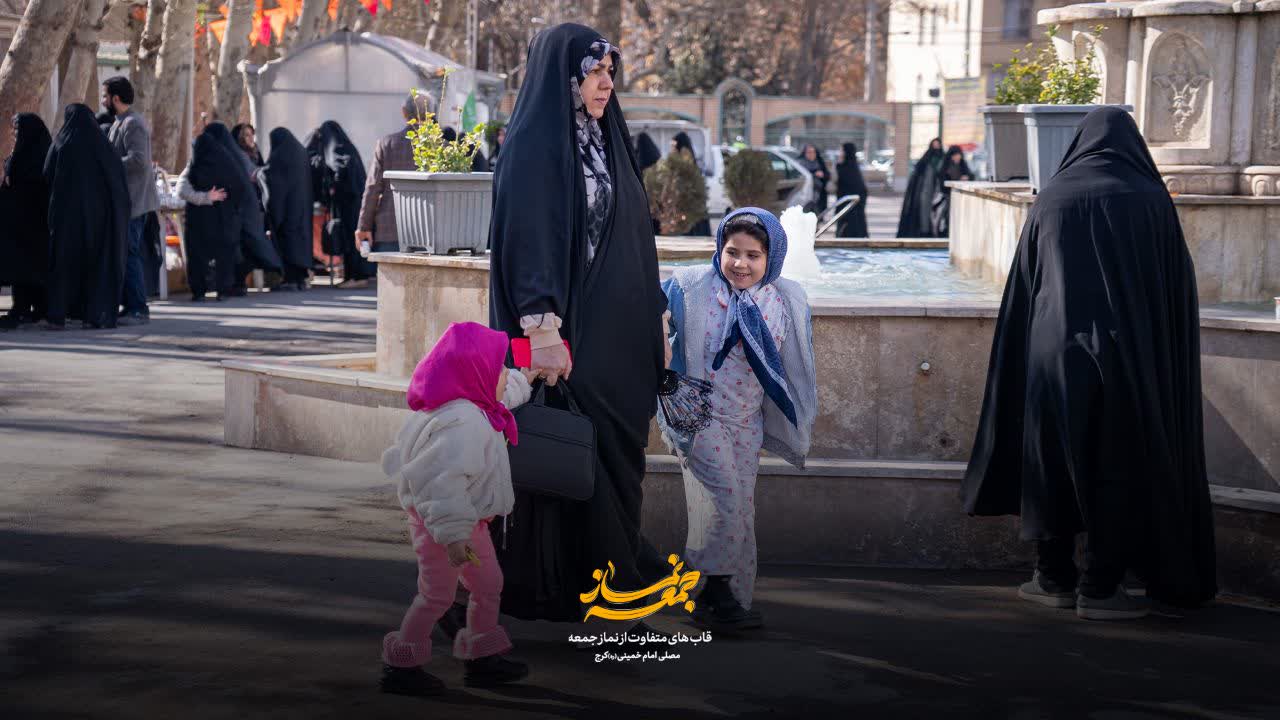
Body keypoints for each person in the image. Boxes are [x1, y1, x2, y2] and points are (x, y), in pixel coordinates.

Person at [962, 107, 1217, 620]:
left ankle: (1053, 577)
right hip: (1127, 358)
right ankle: (1101, 588)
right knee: (1118, 465)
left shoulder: (1053, 196)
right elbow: (1173, 288)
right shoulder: (1149, 198)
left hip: (1053, 356)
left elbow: (1026, 283)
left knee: (1052, 460)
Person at [486, 23, 670, 625]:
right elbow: (529, 242)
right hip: (568, 335)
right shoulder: (535, 145)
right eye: (593, 71)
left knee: (615, 452)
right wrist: (542, 332)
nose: (605, 83)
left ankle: (607, 568)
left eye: (609, 71)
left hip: (619, 336)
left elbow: (636, 237)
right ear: (562, 76)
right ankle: (580, 583)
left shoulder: (606, 139)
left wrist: (655, 320)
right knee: (568, 447)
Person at [660, 208, 817, 631]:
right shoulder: (692, 286)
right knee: (727, 498)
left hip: (747, 420)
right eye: (732, 252)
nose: (740, 264)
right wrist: (661, 352)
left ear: (772, 258)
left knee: (739, 508)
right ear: (719, 250)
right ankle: (715, 592)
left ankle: (727, 596)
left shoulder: (783, 299)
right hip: (697, 413)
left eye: (753, 255)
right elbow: (645, 305)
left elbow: (794, 364)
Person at [379, 322, 534, 696]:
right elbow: (441, 484)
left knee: (488, 584)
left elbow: (505, 393)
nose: (505, 375)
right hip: (443, 527)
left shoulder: (474, 403)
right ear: (476, 374)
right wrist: (453, 537)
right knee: (436, 594)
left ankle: (482, 654)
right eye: (499, 368)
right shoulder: (461, 423)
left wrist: (529, 375)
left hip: (467, 524)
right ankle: (402, 665)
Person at [43, 104, 131, 330]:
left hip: (65, 219)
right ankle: (93, 315)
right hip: (98, 220)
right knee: (96, 265)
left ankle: (57, 315)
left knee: (63, 264)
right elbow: (118, 183)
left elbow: (47, 175)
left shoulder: (62, 142)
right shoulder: (104, 147)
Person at [103, 76, 160, 325]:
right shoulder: (119, 122)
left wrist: (109, 164)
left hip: (135, 202)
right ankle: (130, 304)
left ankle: (138, 308)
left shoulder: (133, 123)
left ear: (115, 98)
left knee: (130, 253)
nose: (103, 101)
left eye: (105, 96)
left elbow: (138, 160)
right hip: (125, 201)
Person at [357, 93, 433, 254]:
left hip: (390, 231)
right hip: (431, 233)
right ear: (431, 114)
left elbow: (372, 188)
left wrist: (363, 227)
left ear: (404, 112)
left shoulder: (387, 144)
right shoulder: (443, 148)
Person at [180, 123, 244, 301]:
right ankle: (223, 289)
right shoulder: (229, 163)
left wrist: (204, 197)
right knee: (224, 255)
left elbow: (182, 189)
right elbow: (240, 187)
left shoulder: (195, 166)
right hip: (223, 219)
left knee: (197, 255)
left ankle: (198, 291)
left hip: (198, 219)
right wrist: (228, 204)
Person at [0, 114, 52, 329]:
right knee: (22, 269)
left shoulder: (38, 156)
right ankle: (24, 308)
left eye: (17, 130)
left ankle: (31, 309)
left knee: (29, 268)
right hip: (20, 224)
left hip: (33, 222)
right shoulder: (21, 153)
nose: (14, 134)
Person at [305, 121, 372, 287]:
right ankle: (354, 275)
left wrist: (332, 185)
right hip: (356, 201)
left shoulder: (336, 150)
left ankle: (356, 276)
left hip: (349, 203)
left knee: (351, 238)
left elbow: (340, 170)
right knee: (354, 238)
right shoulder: (348, 148)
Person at [264, 128, 314, 291]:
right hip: (303, 207)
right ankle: (300, 278)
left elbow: (277, 186)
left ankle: (291, 279)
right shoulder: (301, 153)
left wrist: (274, 213)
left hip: (286, 209)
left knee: (288, 241)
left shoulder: (279, 156)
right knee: (300, 241)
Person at [896, 138, 944, 238]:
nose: (936, 147)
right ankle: (924, 231)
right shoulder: (926, 158)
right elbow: (918, 173)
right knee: (923, 211)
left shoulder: (942, 159)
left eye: (937, 145)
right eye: (934, 145)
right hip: (925, 190)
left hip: (937, 190)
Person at [931, 145, 971, 238]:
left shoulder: (963, 165)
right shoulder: (945, 167)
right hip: (948, 196)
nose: (957, 157)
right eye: (955, 155)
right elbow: (943, 183)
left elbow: (970, 175)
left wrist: (966, 177)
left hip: (961, 197)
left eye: (959, 155)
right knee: (947, 217)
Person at [835, 142, 869, 238]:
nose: (840, 153)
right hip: (848, 203)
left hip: (851, 207)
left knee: (850, 229)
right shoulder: (847, 166)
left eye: (842, 150)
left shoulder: (848, 167)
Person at [797, 144, 830, 215]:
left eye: (813, 152)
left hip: (820, 194)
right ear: (805, 153)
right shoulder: (800, 164)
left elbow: (827, 175)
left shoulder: (820, 162)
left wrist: (823, 174)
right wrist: (813, 174)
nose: (811, 154)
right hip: (805, 193)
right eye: (809, 152)